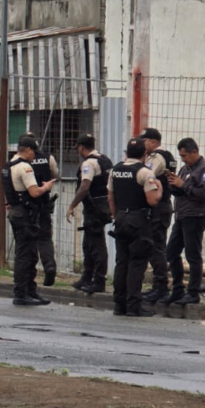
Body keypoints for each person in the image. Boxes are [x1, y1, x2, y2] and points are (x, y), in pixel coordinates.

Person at [107, 138, 163, 317]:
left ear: (126, 154)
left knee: (121, 262)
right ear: (144, 155)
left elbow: (110, 197)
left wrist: (116, 217)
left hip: (121, 218)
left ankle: (119, 305)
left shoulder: (115, 170)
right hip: (138, 220)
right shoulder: (145, 173)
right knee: (137, 263)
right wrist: (160, 189)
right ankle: (133, 306)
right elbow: (152, 200)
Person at [4, 135, 57, 306]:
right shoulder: (24, 167)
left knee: (30, 253)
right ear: (26, 150)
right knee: (25, 255)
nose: (34, 155)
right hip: (25, 215)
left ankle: (30, 291)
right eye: (33, 151)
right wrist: (46, 187)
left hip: (16, 212)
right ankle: (21, 293)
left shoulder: (9, 165)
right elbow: (34, 192)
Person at [165, 138, 205, 306]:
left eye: (185, 155)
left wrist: (183, 184)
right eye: (181, 156)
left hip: (195, 216)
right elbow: (180, 191)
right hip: (181, 216)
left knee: (192, 255)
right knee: (171, 252)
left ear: (194, 151)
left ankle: (193, 292)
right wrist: (172, 183)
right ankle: (177, 289)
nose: (183, 159)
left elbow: (203, 195)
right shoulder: (184, 168)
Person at [66, 134, 113, 294]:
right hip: (104, 206)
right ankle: (86, 278)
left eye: (78, 148)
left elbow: (85, 186)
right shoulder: (105, 160)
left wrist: (72, 205)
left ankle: (99, 281)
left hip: (94, 209)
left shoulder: (89, 163)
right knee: (88, 244)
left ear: (81, 147)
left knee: (96, 245)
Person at [140, 128, 177, 303]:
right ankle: (158, 285)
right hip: (162, 206)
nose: (142, 144)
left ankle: (161, 286)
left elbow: (147, 177)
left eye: (145, 140)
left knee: (156, 247)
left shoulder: (157, 158)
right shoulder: (165, 156)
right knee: (155, 246)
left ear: (153, 142)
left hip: (158, 206)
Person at [23, 132, 60, 287]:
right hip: (44, 203)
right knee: (44, 238)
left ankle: (27, 275)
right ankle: (49, 266)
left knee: (26, 241)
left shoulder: (20, 161)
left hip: (26, 205)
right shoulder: (48, 158)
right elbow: (55, 175)